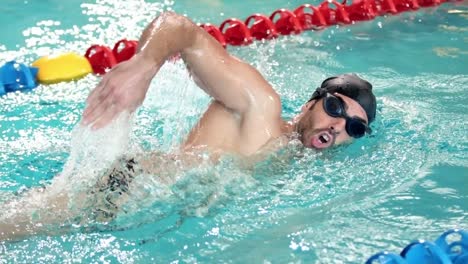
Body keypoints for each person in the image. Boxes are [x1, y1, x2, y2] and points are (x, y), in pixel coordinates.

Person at [0, 11, 376, 241]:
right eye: (333, 107)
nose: (339, 125)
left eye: (354, 129)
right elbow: (180, 28)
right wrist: (144, 66)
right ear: (311, 103)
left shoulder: (297, 168)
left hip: (128, 214)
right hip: (120, 190)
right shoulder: (261, 109)